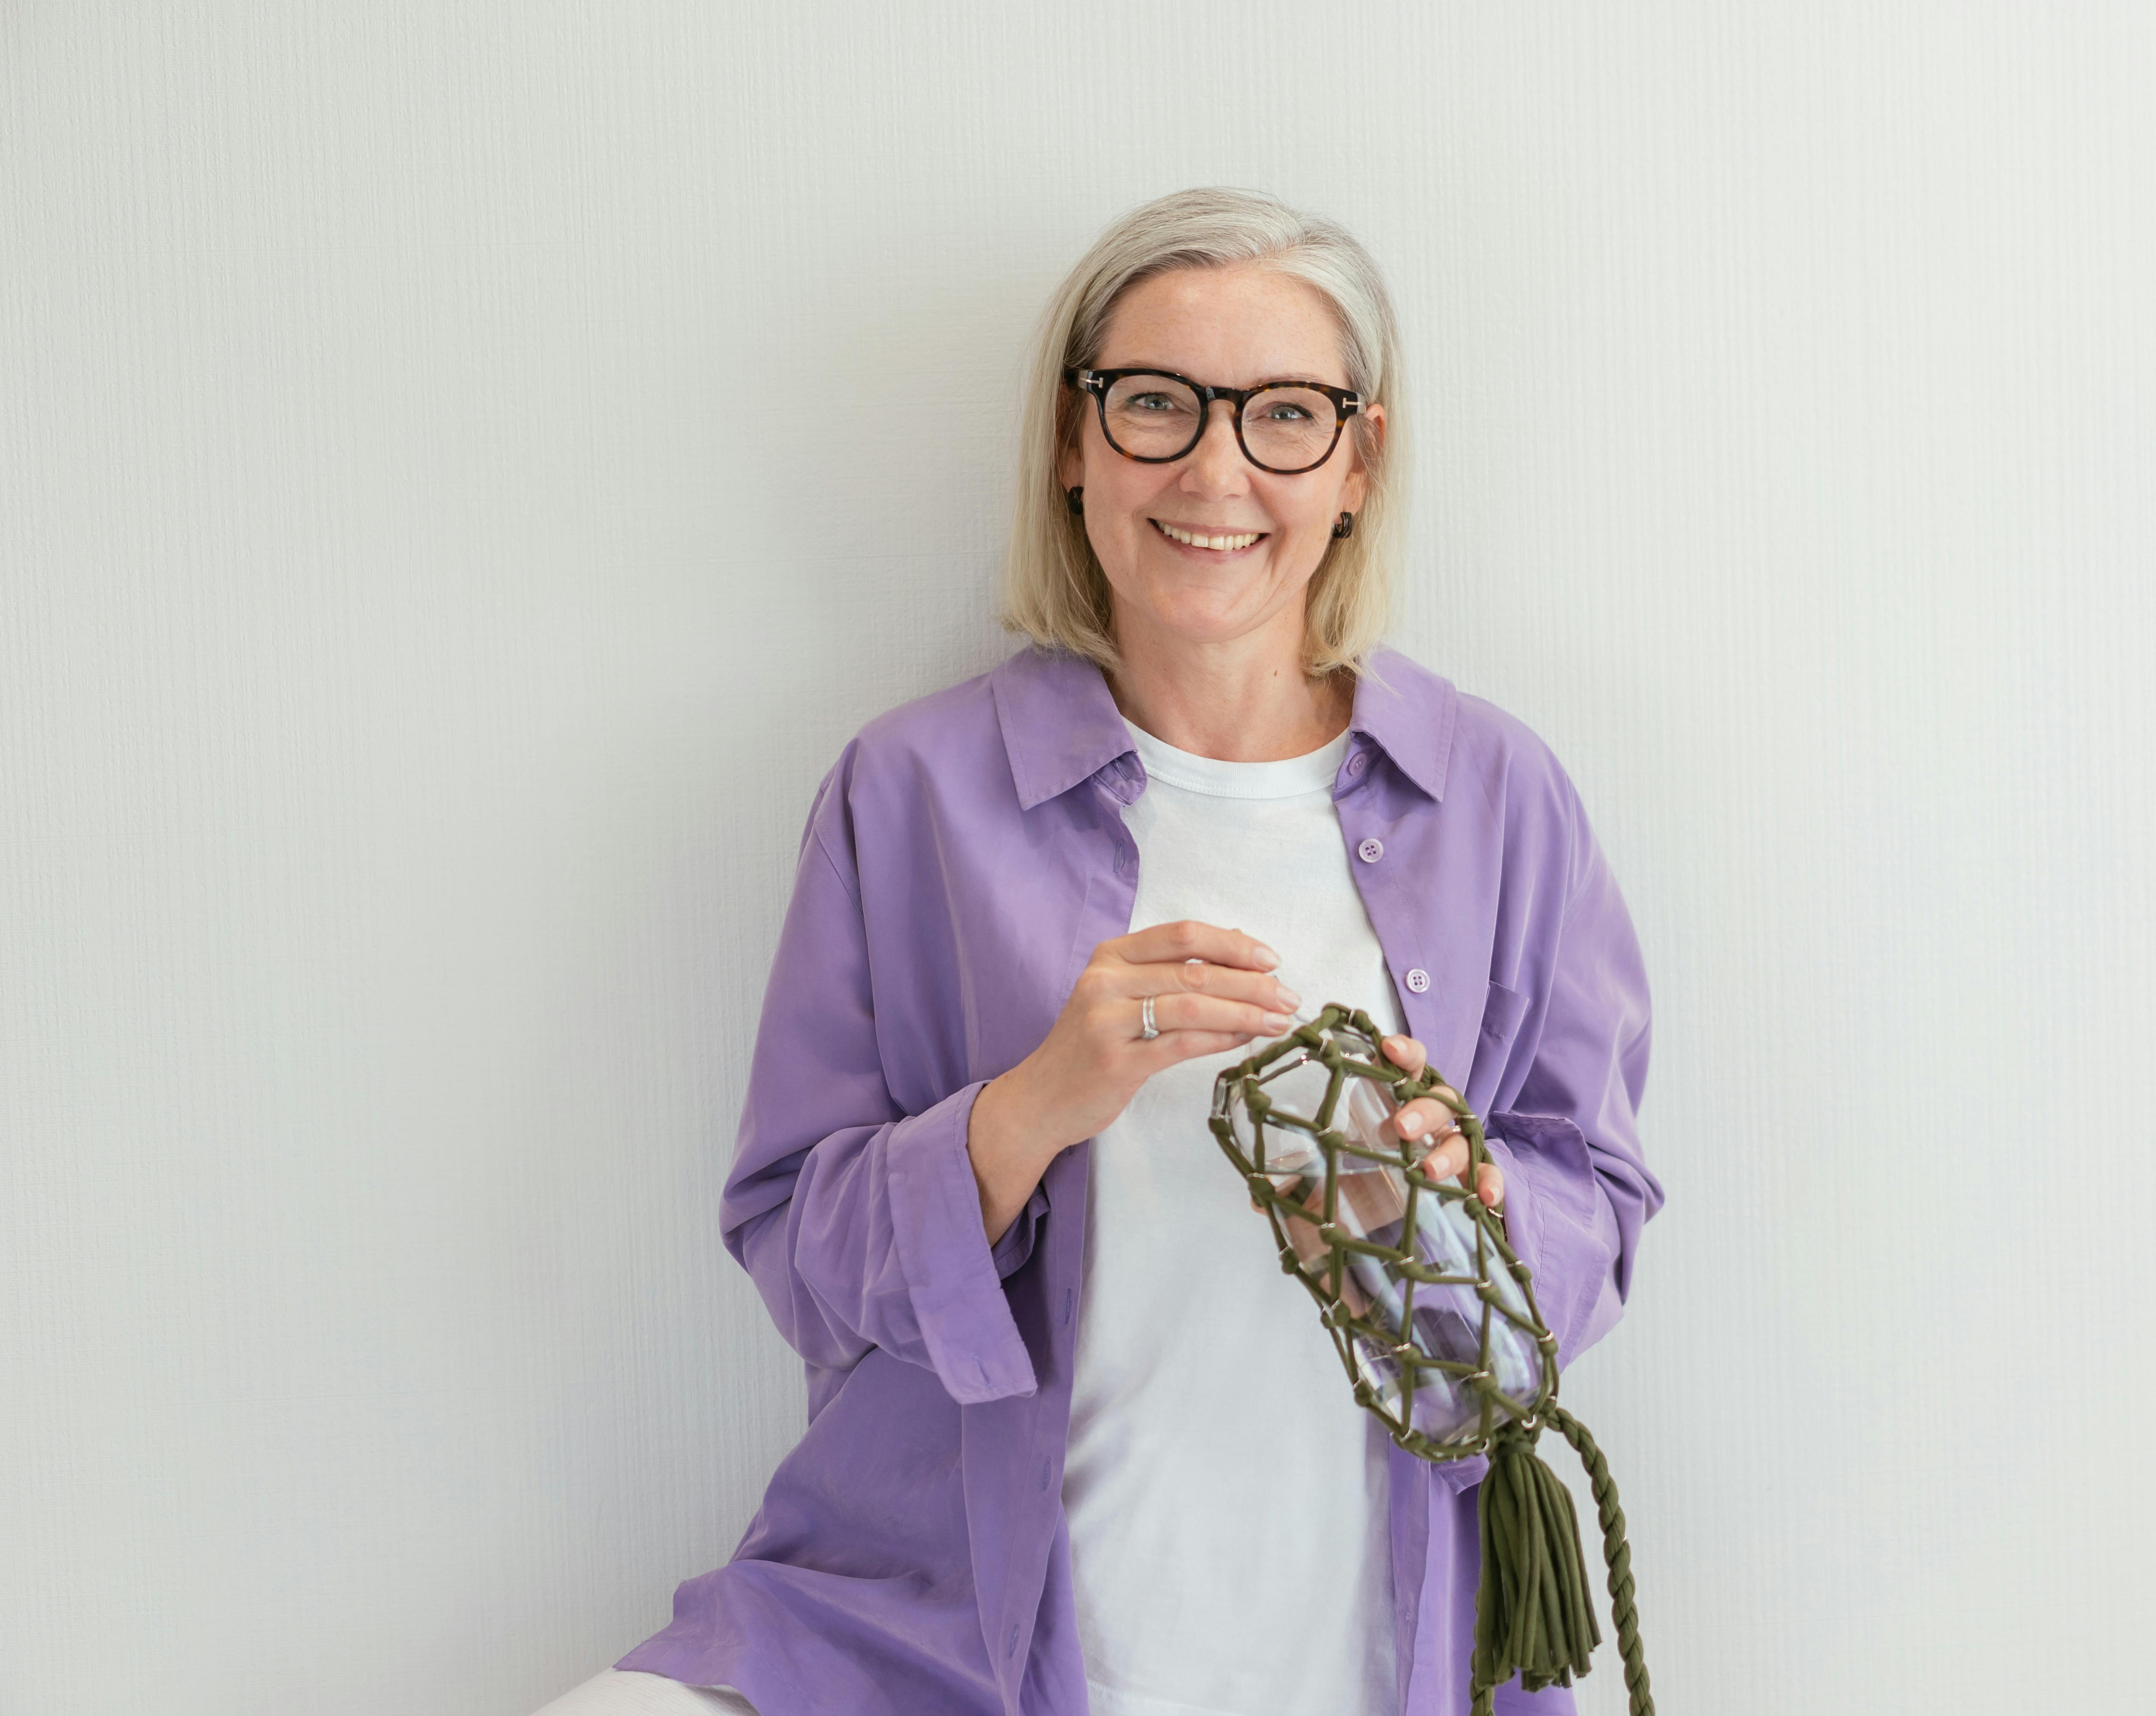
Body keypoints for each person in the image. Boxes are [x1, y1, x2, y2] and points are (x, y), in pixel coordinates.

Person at [534, 187, 1661, 1716]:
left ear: (1358, 459)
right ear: (1074, 444)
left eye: (1283, 415)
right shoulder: (911, 794)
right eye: (1155, 405)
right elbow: (797, 1248)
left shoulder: (1499, 797)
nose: (1214, 468)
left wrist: (1456, 1199)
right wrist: (1031, 1105)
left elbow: (1598, 1206)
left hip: (1384, 1653)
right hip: (946, 1637)